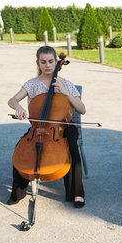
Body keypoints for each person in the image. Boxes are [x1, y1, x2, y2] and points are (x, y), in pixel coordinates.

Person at [7, 46, 86, 208]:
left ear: (57, 62)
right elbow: (12, 100)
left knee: (72, 147)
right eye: (43, 62)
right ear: (38, 63)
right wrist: (18, 107)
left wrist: (65, 93)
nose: (47, 65)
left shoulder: (65, 84)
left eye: (51, 61)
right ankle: (18, 192)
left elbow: (82, 109)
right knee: (20, 150)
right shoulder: (32, 84)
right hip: (37, 127)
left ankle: (77, 193)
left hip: (63, 127)